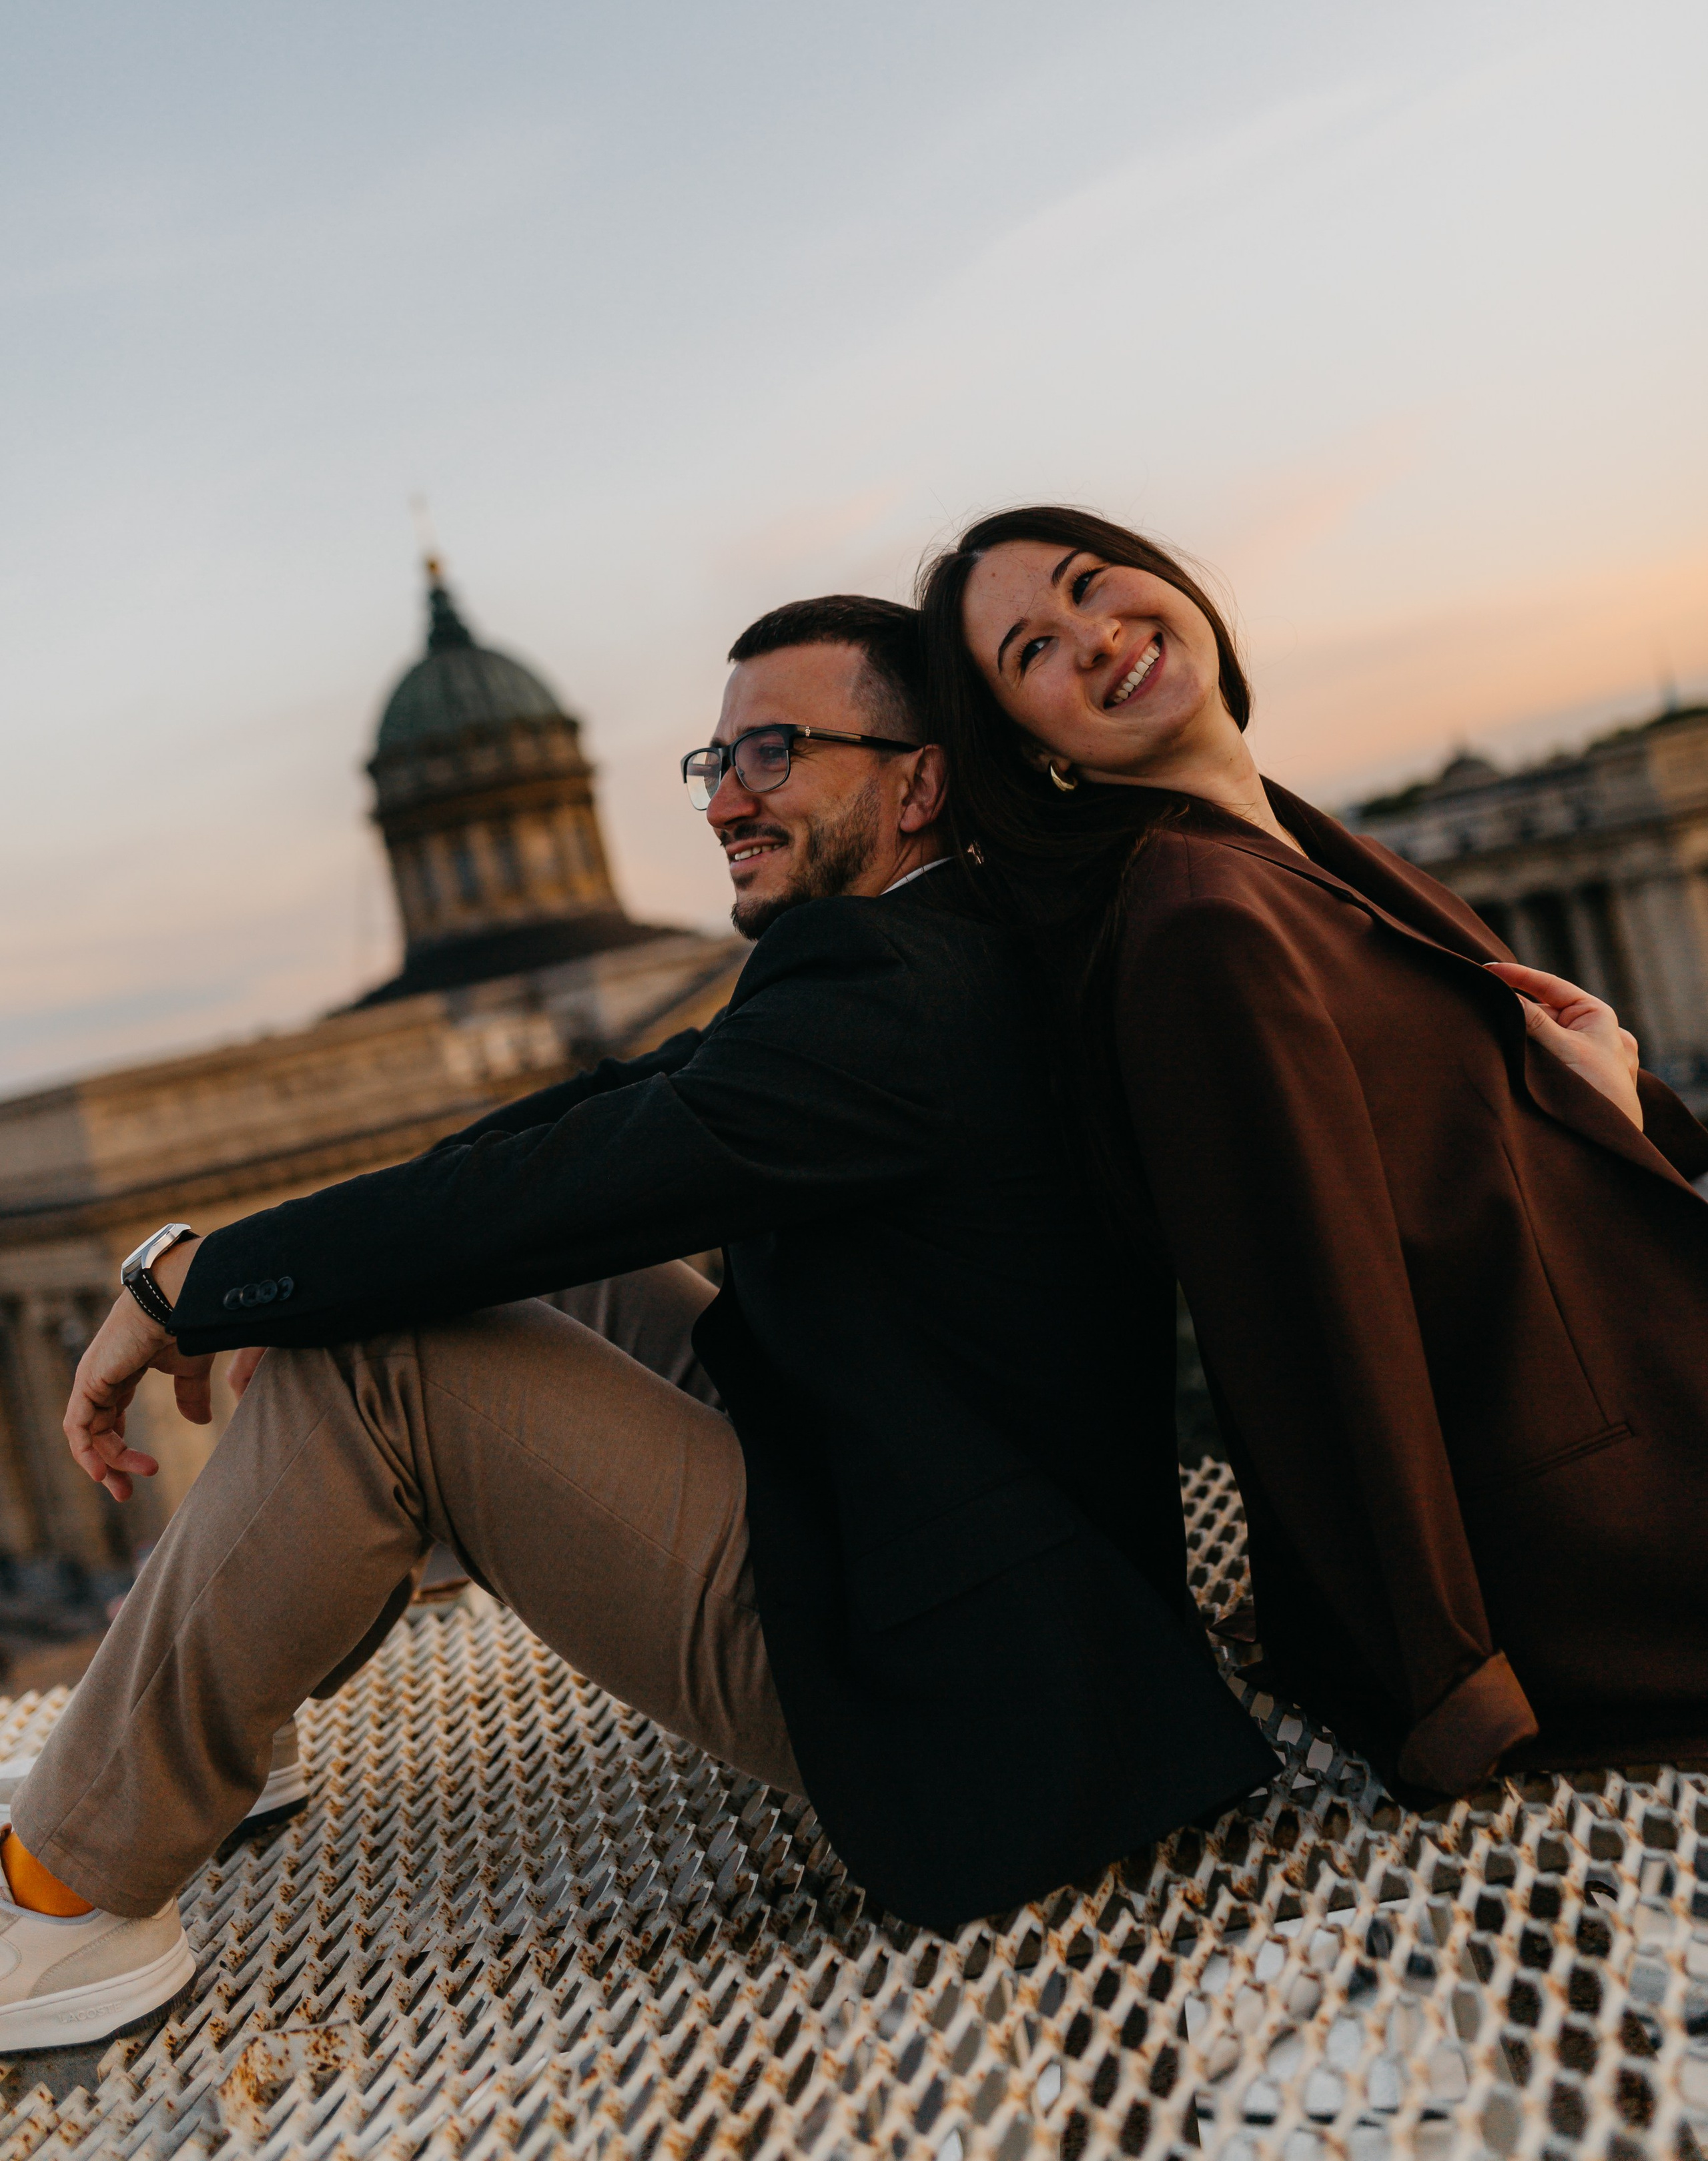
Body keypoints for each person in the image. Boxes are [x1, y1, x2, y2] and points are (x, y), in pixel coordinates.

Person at [0, 593, 1274, 2052]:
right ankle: (222, 1697)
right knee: (422, 1271)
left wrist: (189, 1281)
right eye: (715, 760)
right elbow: (604, 1123)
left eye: (777, 753)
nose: (725, 796)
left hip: (954, 1675)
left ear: (919, 781)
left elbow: (571, 1183)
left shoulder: (894, 1001)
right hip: (938, 1512)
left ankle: (70, 1893)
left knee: (384, 1353)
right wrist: (251, 1262)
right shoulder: (916, 945)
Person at [917, 502, 1708, 1801]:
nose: (1094, 634)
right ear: (1035, 752)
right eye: (1033, 652)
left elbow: (1432, 1168)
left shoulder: (1271, 842)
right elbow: (1314, 1318)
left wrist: (1589, 1088)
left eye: (1089, 583)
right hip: (1601, 1527)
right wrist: (1448, 1685)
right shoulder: (1197, 922)